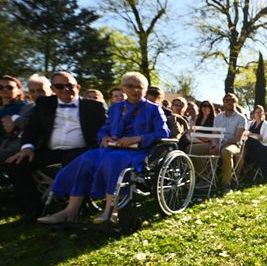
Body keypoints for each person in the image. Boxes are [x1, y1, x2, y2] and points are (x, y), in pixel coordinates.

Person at [36, 72, 169, 225]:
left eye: (139, 87)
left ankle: (110, 211)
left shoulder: (153, 109)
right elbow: (105, 129)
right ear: (123, 88)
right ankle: (70, 210)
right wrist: (104, 138)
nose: (135, 90)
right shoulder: (116, 107)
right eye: (130, 86)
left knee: (113, 159)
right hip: (112, 147)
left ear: (145, 89)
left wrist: (138, 137)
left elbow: (163, 132)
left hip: (139, 150)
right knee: (86, 159)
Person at [5, 72, 107, 220]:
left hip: (81, 150)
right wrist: (27, 148)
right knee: (16, 164)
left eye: (70, 86)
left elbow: (106, 129)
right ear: (53, 88)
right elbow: (32, 129)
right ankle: (34, 210)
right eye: (60, 86)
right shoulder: (44, 104)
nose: (66, 89)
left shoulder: (94, 107)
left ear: (77, 87)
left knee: (75, 163)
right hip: (50, 150)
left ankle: (76, 208)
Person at [211, 93, 247, 193]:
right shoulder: (218, 117)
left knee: (226, 152)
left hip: (233, 145)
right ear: (223, 103)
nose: (228, 102)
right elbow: (214, 134)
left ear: (235, 102)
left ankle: (226, 183)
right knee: (192, 149)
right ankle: (204, 179)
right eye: (226, 100)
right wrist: (214, 145)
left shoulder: (241, 118)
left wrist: (220, 146)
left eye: (231, 100)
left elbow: (237, 138)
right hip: (218, 144)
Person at [245, 105, 267, 176]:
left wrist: (251, 134)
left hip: (262, 148)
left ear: (263, 113)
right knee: (247, 142)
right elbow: (244, 133)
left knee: (250, 140)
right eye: (256, 112)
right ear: (254, 114)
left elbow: (265, 139)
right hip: (250, 148)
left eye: (260, 112)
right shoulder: (250, 123)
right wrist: (256, 136)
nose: (258, 114)